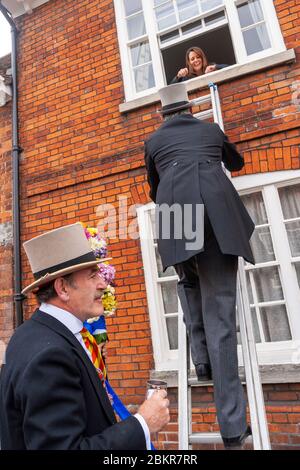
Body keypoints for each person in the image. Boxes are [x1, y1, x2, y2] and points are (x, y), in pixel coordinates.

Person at [144, 83, 253, 449]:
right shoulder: (209, 129)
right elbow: (236, 163)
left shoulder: (154, 142)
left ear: (163, 115)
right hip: (213, 213)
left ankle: (201, 360)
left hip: (176, 216)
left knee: (188, 282)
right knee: (221, 317)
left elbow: (153, 189)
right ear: (190, 108)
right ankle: (233, 428)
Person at [0, 223, 169, 450]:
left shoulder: (30, 334)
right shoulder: (50, 355)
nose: (103, 283)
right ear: (63, 289)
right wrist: (143, 423)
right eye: (92, 276)